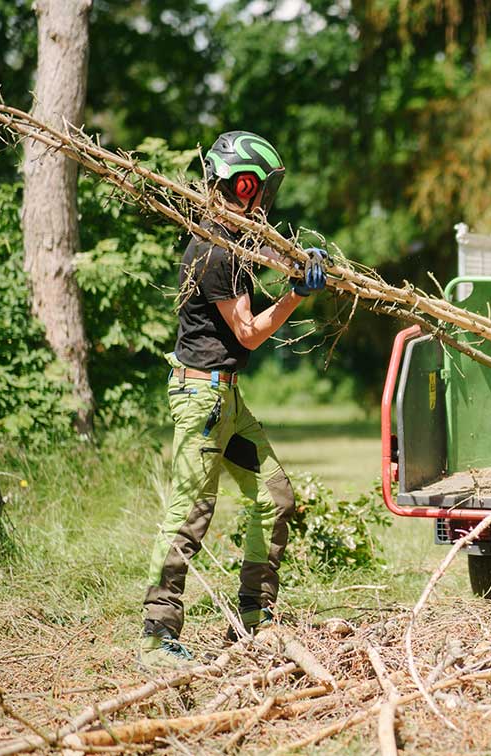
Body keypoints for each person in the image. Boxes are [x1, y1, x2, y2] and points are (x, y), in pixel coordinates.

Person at [139, 130, 330, 668]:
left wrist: (303, 261)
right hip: (202, 401)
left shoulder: (232, 239)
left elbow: (269, 252)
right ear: (244, 185)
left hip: (226, 400)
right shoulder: (213, 250)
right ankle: (156, 636)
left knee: (274, 497)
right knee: (190, 514)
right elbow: (246, 333)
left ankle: (254, 617)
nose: (264, 198)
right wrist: (296, 295)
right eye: (260, 187)